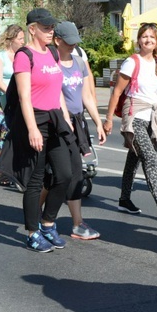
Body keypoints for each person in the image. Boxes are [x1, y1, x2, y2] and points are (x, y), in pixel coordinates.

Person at [0, 8, 76, 252]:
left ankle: (48, 222)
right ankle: (32, 232)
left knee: (65, 174)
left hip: (55, 119)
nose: (51, 31)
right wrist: (32, 129)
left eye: (52, 27)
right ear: (33, 29)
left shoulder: (52, 52)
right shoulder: (24, 55)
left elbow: (57, 88)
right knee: (35, 180)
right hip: (35, 121)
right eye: (46, 27)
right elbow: (24, 97)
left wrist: (65, 116)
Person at [103, 23, 157, 221]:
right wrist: (108, 119)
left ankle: (124, 199)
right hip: (134, 115)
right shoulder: (132, 62)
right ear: (138, 40)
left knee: (134, 158)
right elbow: (117, 92)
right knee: (150, 157)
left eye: (152, 37)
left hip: (151, 117)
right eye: (144, 36)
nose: (148, 40)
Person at [41, 21, 107, 240]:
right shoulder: (51, 64)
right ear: (57, 41)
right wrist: (63, 119)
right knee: (70, 174)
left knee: (62, 176)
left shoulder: (79, 61)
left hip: (77, 122)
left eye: (75, 42)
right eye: (69, 42)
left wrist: (98, 122)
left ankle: (36, 213)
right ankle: (74, 223)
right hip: (59, 123)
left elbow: (86, 95)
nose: (73, 46)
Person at [0, 24, 24, 186]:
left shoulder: (21, 56)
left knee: (15, 135)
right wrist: (13, 93)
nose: (23, 42)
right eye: (20, 39)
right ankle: (1, 171)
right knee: (1, 136)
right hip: (0, 101)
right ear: (11, 39)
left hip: (16, 101)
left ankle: (12, 169)